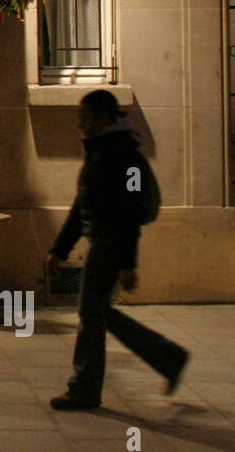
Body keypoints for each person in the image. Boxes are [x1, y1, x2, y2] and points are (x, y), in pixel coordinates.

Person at [46, 90, 189, 410]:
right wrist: (60, 249)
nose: (80, 125)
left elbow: (129, 211)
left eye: (85, 118)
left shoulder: (124, 156)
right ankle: (169, 357)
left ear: (104, 117)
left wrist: (128, 263)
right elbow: (81, 204)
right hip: (101, 241)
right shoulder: (100, 151)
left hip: (110, 245)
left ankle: (84, 389)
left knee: (90, 314)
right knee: (98, 312)